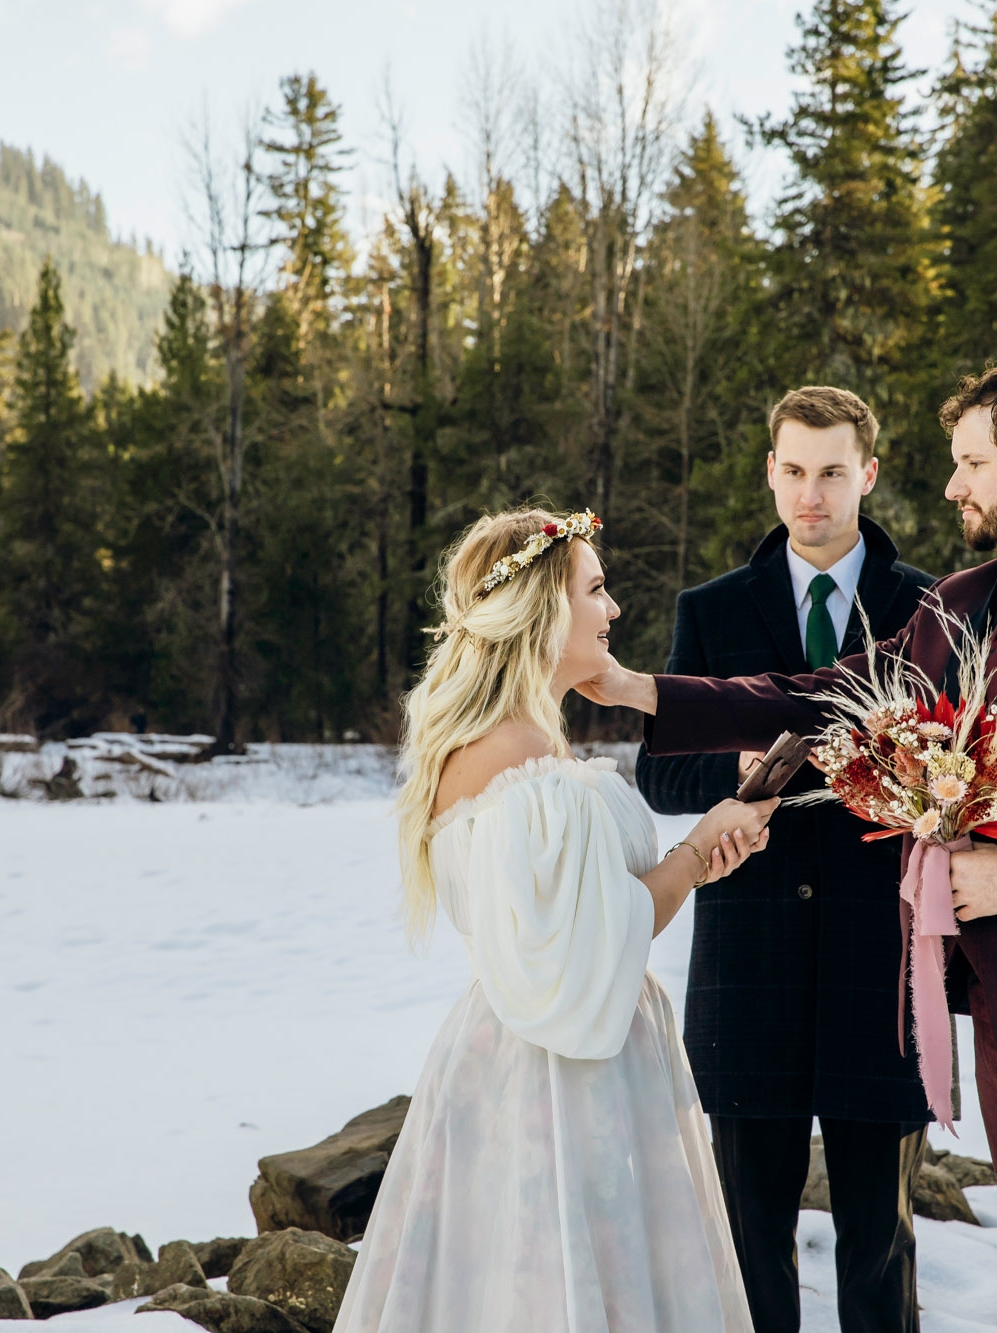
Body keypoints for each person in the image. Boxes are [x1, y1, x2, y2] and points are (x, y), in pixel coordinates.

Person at [579, 355, 997, 1333]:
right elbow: (828, 697)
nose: (951, 484)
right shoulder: (966, 600)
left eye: (972, 462)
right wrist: (642, 690)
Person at [337, 507, 779, 1333]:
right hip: (562, 1075)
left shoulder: (519, 737)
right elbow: (594, 946)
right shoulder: (518, 753)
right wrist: (696, 850)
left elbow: (585, 922)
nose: (613, 611)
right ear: (541, 606)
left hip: (525, 1046)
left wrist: (700, 853)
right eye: (596, 589)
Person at [635, 386, 938, 1333]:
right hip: (747, 968)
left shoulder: (928, 605)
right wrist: (729, 765)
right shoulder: (711, 610)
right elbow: (659, 770)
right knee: (746, 1238)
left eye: (833, 472)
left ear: (869, 475)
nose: (812, 494)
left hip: (879, 970)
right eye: (795, 471)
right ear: (771, 471)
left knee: (878, 1244)